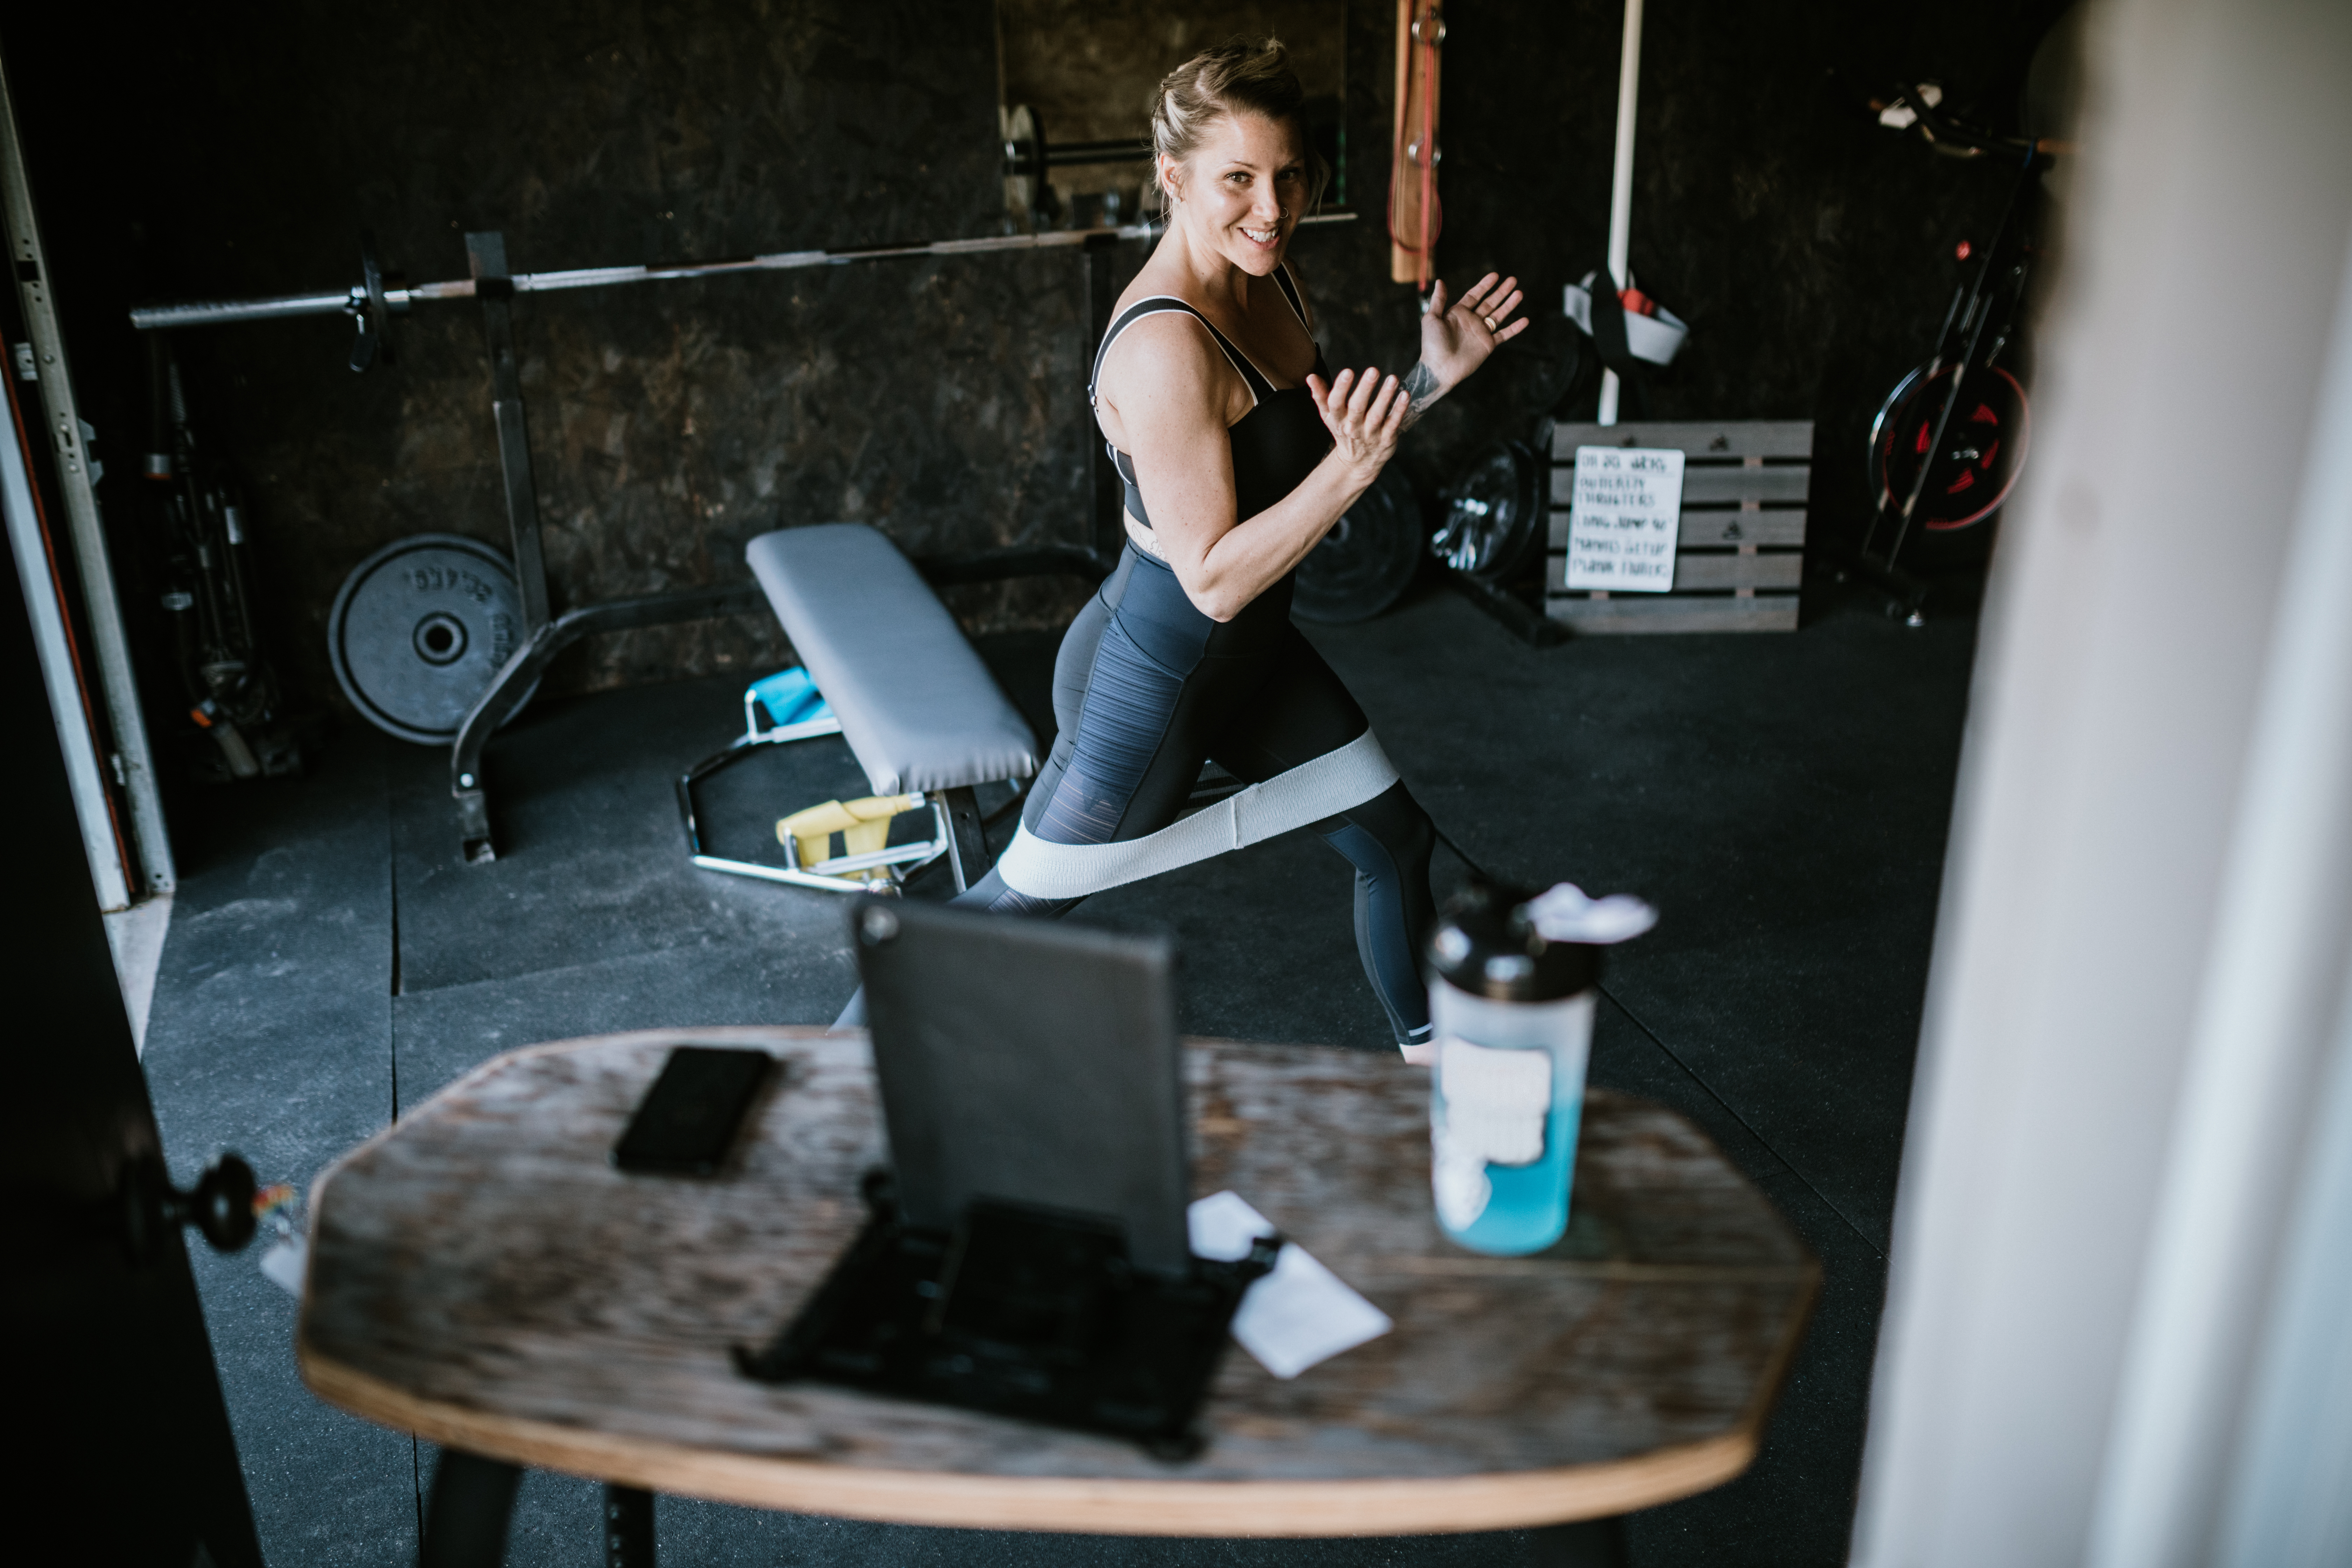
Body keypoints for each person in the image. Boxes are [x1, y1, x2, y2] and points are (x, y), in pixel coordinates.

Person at [844, 37, 1525, 1061]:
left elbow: (1329, 454)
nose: (1273, 206)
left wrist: (1432, 382)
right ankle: (799, 1081)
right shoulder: (1165, 345)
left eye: (1290, 175)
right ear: (1172, 178)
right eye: (1239, 180)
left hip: (1255, 661)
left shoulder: (1272, 281)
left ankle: (1434, 1093)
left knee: (1396, 841)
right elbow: (1212, 578)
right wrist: (1356, 473)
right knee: (994, 922)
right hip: (1158, 682)